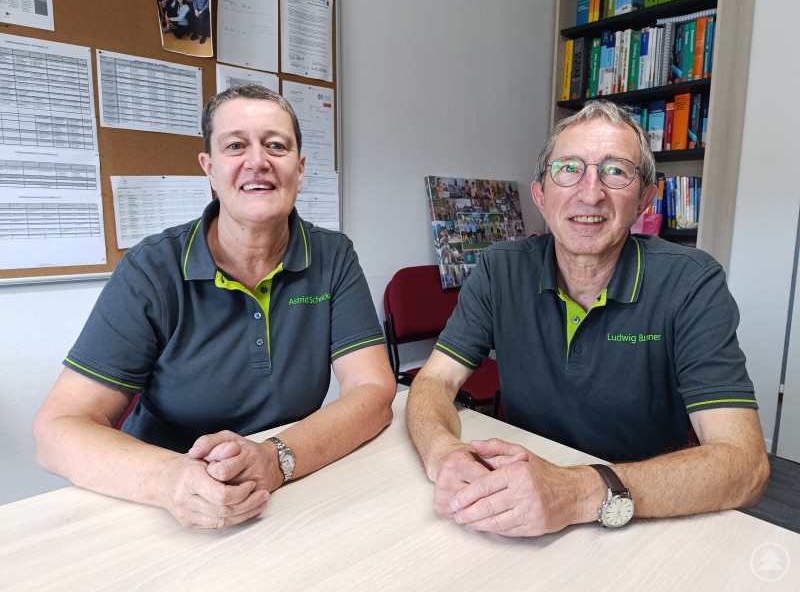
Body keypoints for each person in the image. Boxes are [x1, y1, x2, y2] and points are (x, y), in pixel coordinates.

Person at [33, 84, 396, 529]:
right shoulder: (153, 269)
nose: (257, 161)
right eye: (235, 145)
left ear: (299, 169)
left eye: (276, 145)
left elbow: (374, 392)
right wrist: (170, 479)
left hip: (289, 488)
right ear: (209, 167)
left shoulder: (334, 256)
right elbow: (57, 430)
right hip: (162, 503)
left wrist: (274, 458)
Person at [406, 99, 769, 537]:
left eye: (616, 171)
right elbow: (433, 382)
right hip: (520, 505)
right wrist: (444, 451)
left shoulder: (691, 283)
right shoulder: (500, 269)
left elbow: (745, 464)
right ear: (540, 195)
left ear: (645, 199)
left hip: (639, 516)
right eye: (569, 168)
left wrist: (577, 491)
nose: (590, 192)